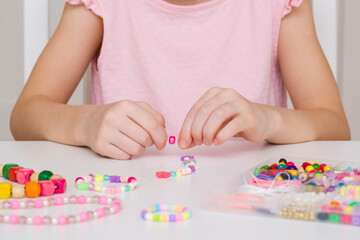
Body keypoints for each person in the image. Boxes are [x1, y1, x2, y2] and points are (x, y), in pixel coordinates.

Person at [10, 0, 350, 160]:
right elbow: (25, 116)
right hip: (123, 209)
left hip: (250, 207)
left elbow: (335, 126)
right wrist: (85, 123)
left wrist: (269, 119)